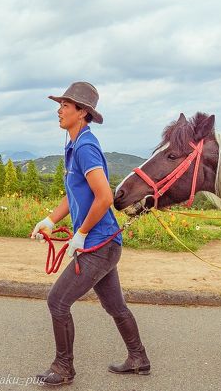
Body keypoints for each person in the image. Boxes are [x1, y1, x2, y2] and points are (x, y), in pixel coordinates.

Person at [30, 82, 150, 386]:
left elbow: (104, 197)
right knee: (114, 305)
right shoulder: (73, 145)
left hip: (100, 244)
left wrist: (81, 234)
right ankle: (138, 359)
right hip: (103, 244)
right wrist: (49, 219)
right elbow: (74, 194)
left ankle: (63, 368)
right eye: (60, 105)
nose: (59, 110)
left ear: (82, 112)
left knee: (57, 301)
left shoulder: (84, 146)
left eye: (65, 105)